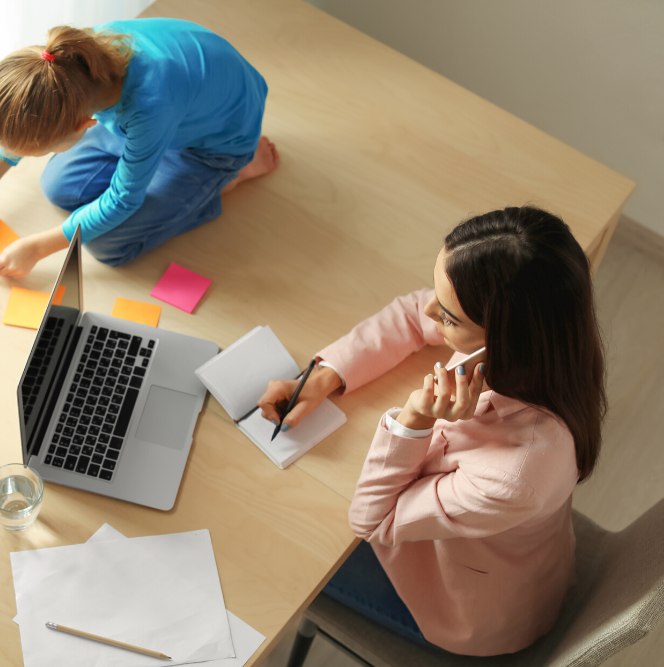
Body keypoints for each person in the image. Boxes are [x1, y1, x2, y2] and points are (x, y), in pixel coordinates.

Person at [259, 206, 606, 656]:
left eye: (448, 317)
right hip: (512, 558)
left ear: (502, 340)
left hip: (467, 613)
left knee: (279, 549)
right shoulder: (554, 346)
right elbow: (411, 313)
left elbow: (372, 520)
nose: (428, 310)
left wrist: (415, 419)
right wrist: (326, 377)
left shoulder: (515, 473)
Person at [0, 18, 278, 277]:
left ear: (83, 125)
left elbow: (123, 200)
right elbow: (21, 127)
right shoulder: (72, 61)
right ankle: (161, 168)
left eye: (43, 149)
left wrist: (37, 248)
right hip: (162, 116)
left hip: (214, 145)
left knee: (107, 246)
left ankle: (227, 179)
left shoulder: (150, 105)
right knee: (57, 188)